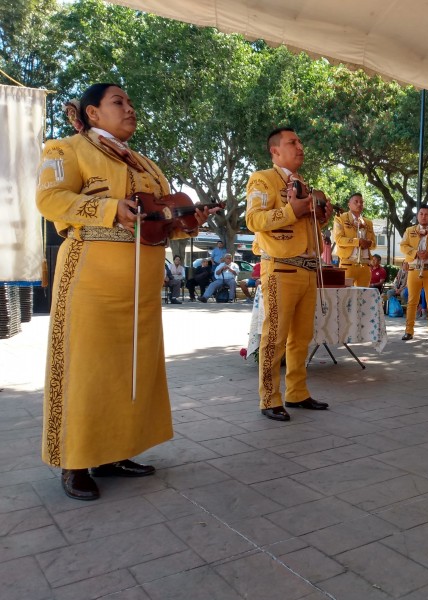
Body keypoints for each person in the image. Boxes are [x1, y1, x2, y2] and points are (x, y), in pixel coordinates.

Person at [35, 83, 213, 501]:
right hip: (92, 277)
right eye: (119, 102)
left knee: (131, 369)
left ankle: (114, 453)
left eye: (132, 102)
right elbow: (49, 197)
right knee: (87, 369)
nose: (130, 108)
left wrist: (187, 221)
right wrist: (108, 207)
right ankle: (74, 461)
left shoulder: (147, 164)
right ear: (92, 113)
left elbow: (159, 222)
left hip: (144, 284)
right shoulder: (66, 149)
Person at [245, 127, 333, 421]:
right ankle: (269, 399)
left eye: (300, 142)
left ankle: (297, 392)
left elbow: (306, 227)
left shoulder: (304, 184)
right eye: (292, 142)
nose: (300, 146)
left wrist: (320, 218)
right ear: (275, 151)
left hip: (308, 269)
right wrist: (292, 210)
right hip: (280, 268)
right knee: (275, 338)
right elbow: (253, 220)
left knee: (301, 338)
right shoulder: (262, 179)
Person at [400, 204, 428, 340]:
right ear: (417, 216)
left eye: (426, 214)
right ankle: (408, 331)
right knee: (412, 301)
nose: (424, 216)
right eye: (421, 214)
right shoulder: (409, 231)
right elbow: (403, 246)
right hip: (414, 269)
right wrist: (415, 253)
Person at [333, 192, 376, 287]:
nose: (359, 204)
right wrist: (358, 242)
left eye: (361, 202)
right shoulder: (340, 218)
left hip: (365, 265)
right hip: (348, 263)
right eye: (356, 202)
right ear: (349, 205)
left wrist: (369, 243)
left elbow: (374, 244)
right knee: (345, 296)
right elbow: (338, 239)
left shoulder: (368, 222)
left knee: (364, 298)